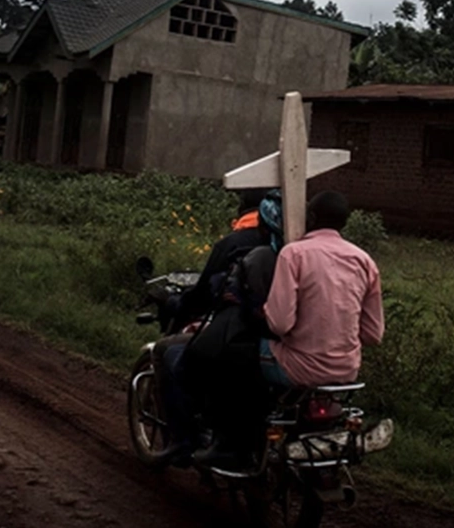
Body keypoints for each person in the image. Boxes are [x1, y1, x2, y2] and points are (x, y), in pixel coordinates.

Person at [150, 188, 268, 465]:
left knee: (170, 355)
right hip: (283, 336)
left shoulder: (234, 243)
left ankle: (183, 441)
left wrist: (177, 306)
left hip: (237, 333)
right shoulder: (290, 243)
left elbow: (203, 295)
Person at [260, 190, 384, 389]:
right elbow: (373, 334)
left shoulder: (293, 254)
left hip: (296, 369)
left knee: (244, 350)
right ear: (344, 223)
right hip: (347, 371)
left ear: (311, 218)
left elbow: (280, 324)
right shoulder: (364, 261)